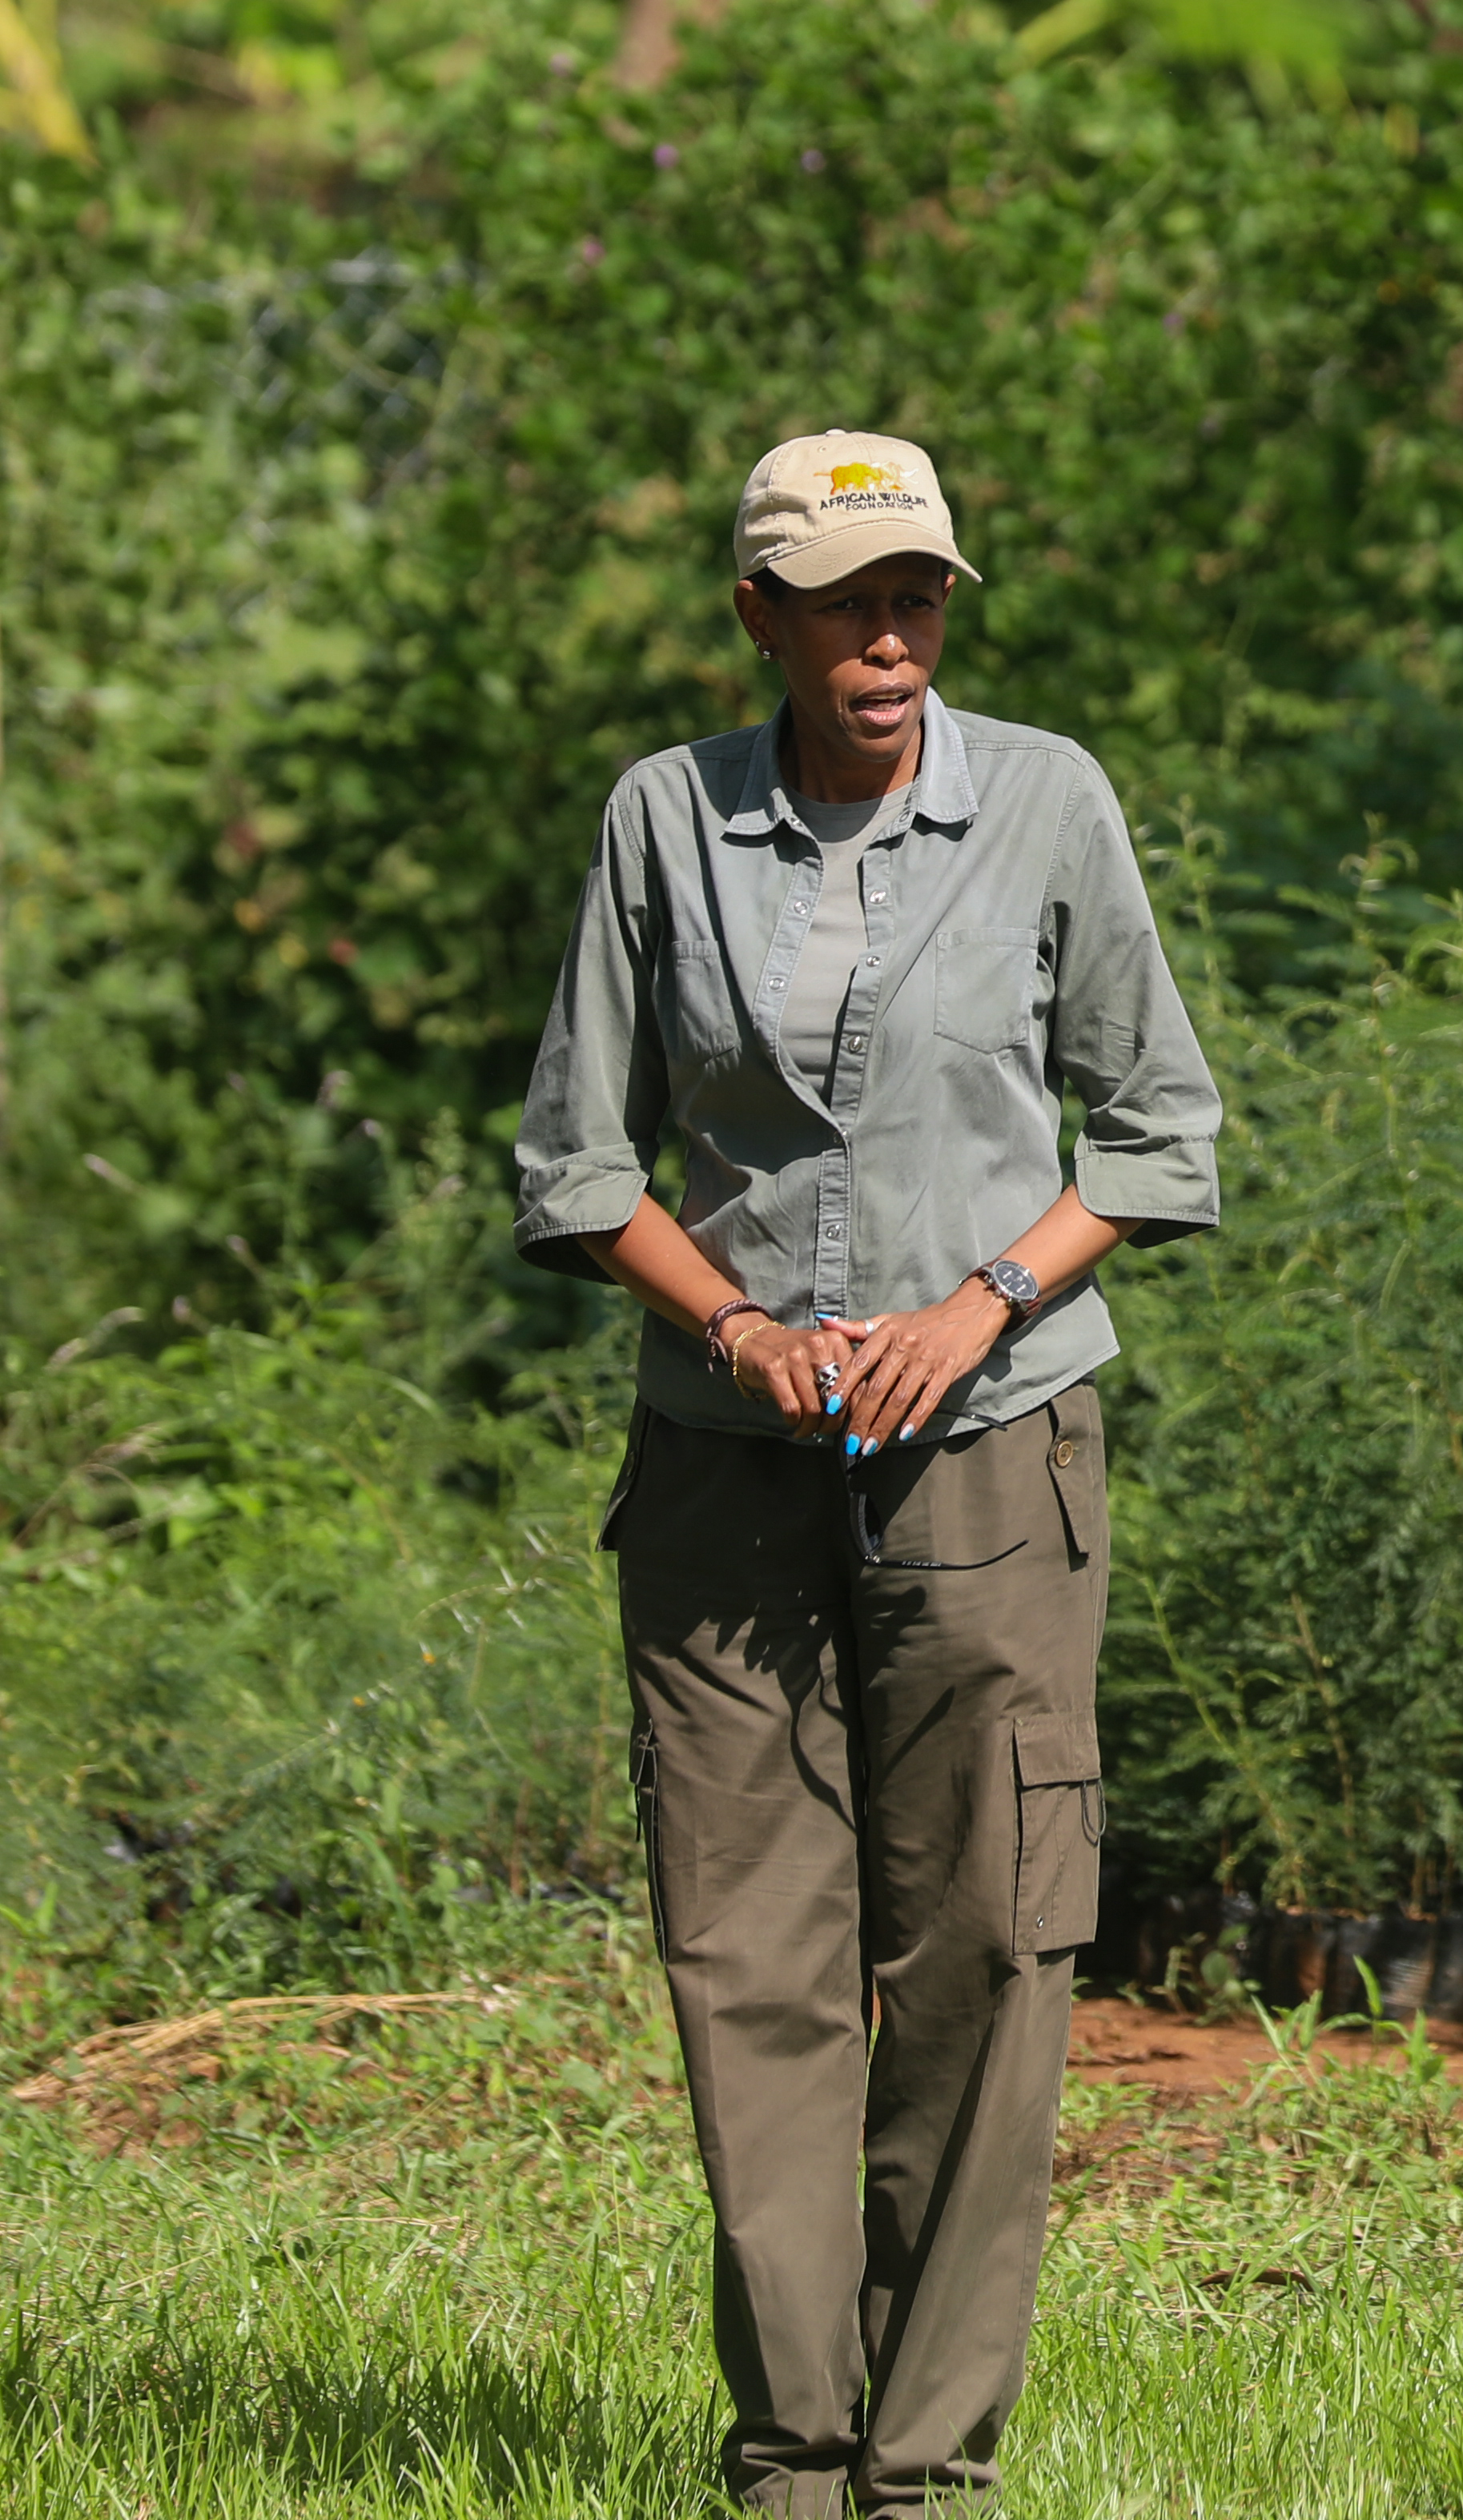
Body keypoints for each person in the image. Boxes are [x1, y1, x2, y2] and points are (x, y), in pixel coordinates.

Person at [512, 431, 1224, 2517]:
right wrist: (731, 1323)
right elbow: (574, 1164)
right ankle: (790, 2456)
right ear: (763, 619)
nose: (890, 638)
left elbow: (1165, 1132)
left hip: (992, 1465)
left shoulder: (1049, 806)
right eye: (845, 602)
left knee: (989, 1954)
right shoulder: (667, 822)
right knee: (750, 1956)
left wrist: (981, 1300)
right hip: (729, 1471)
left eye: (915, 595)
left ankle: (928, 2471)